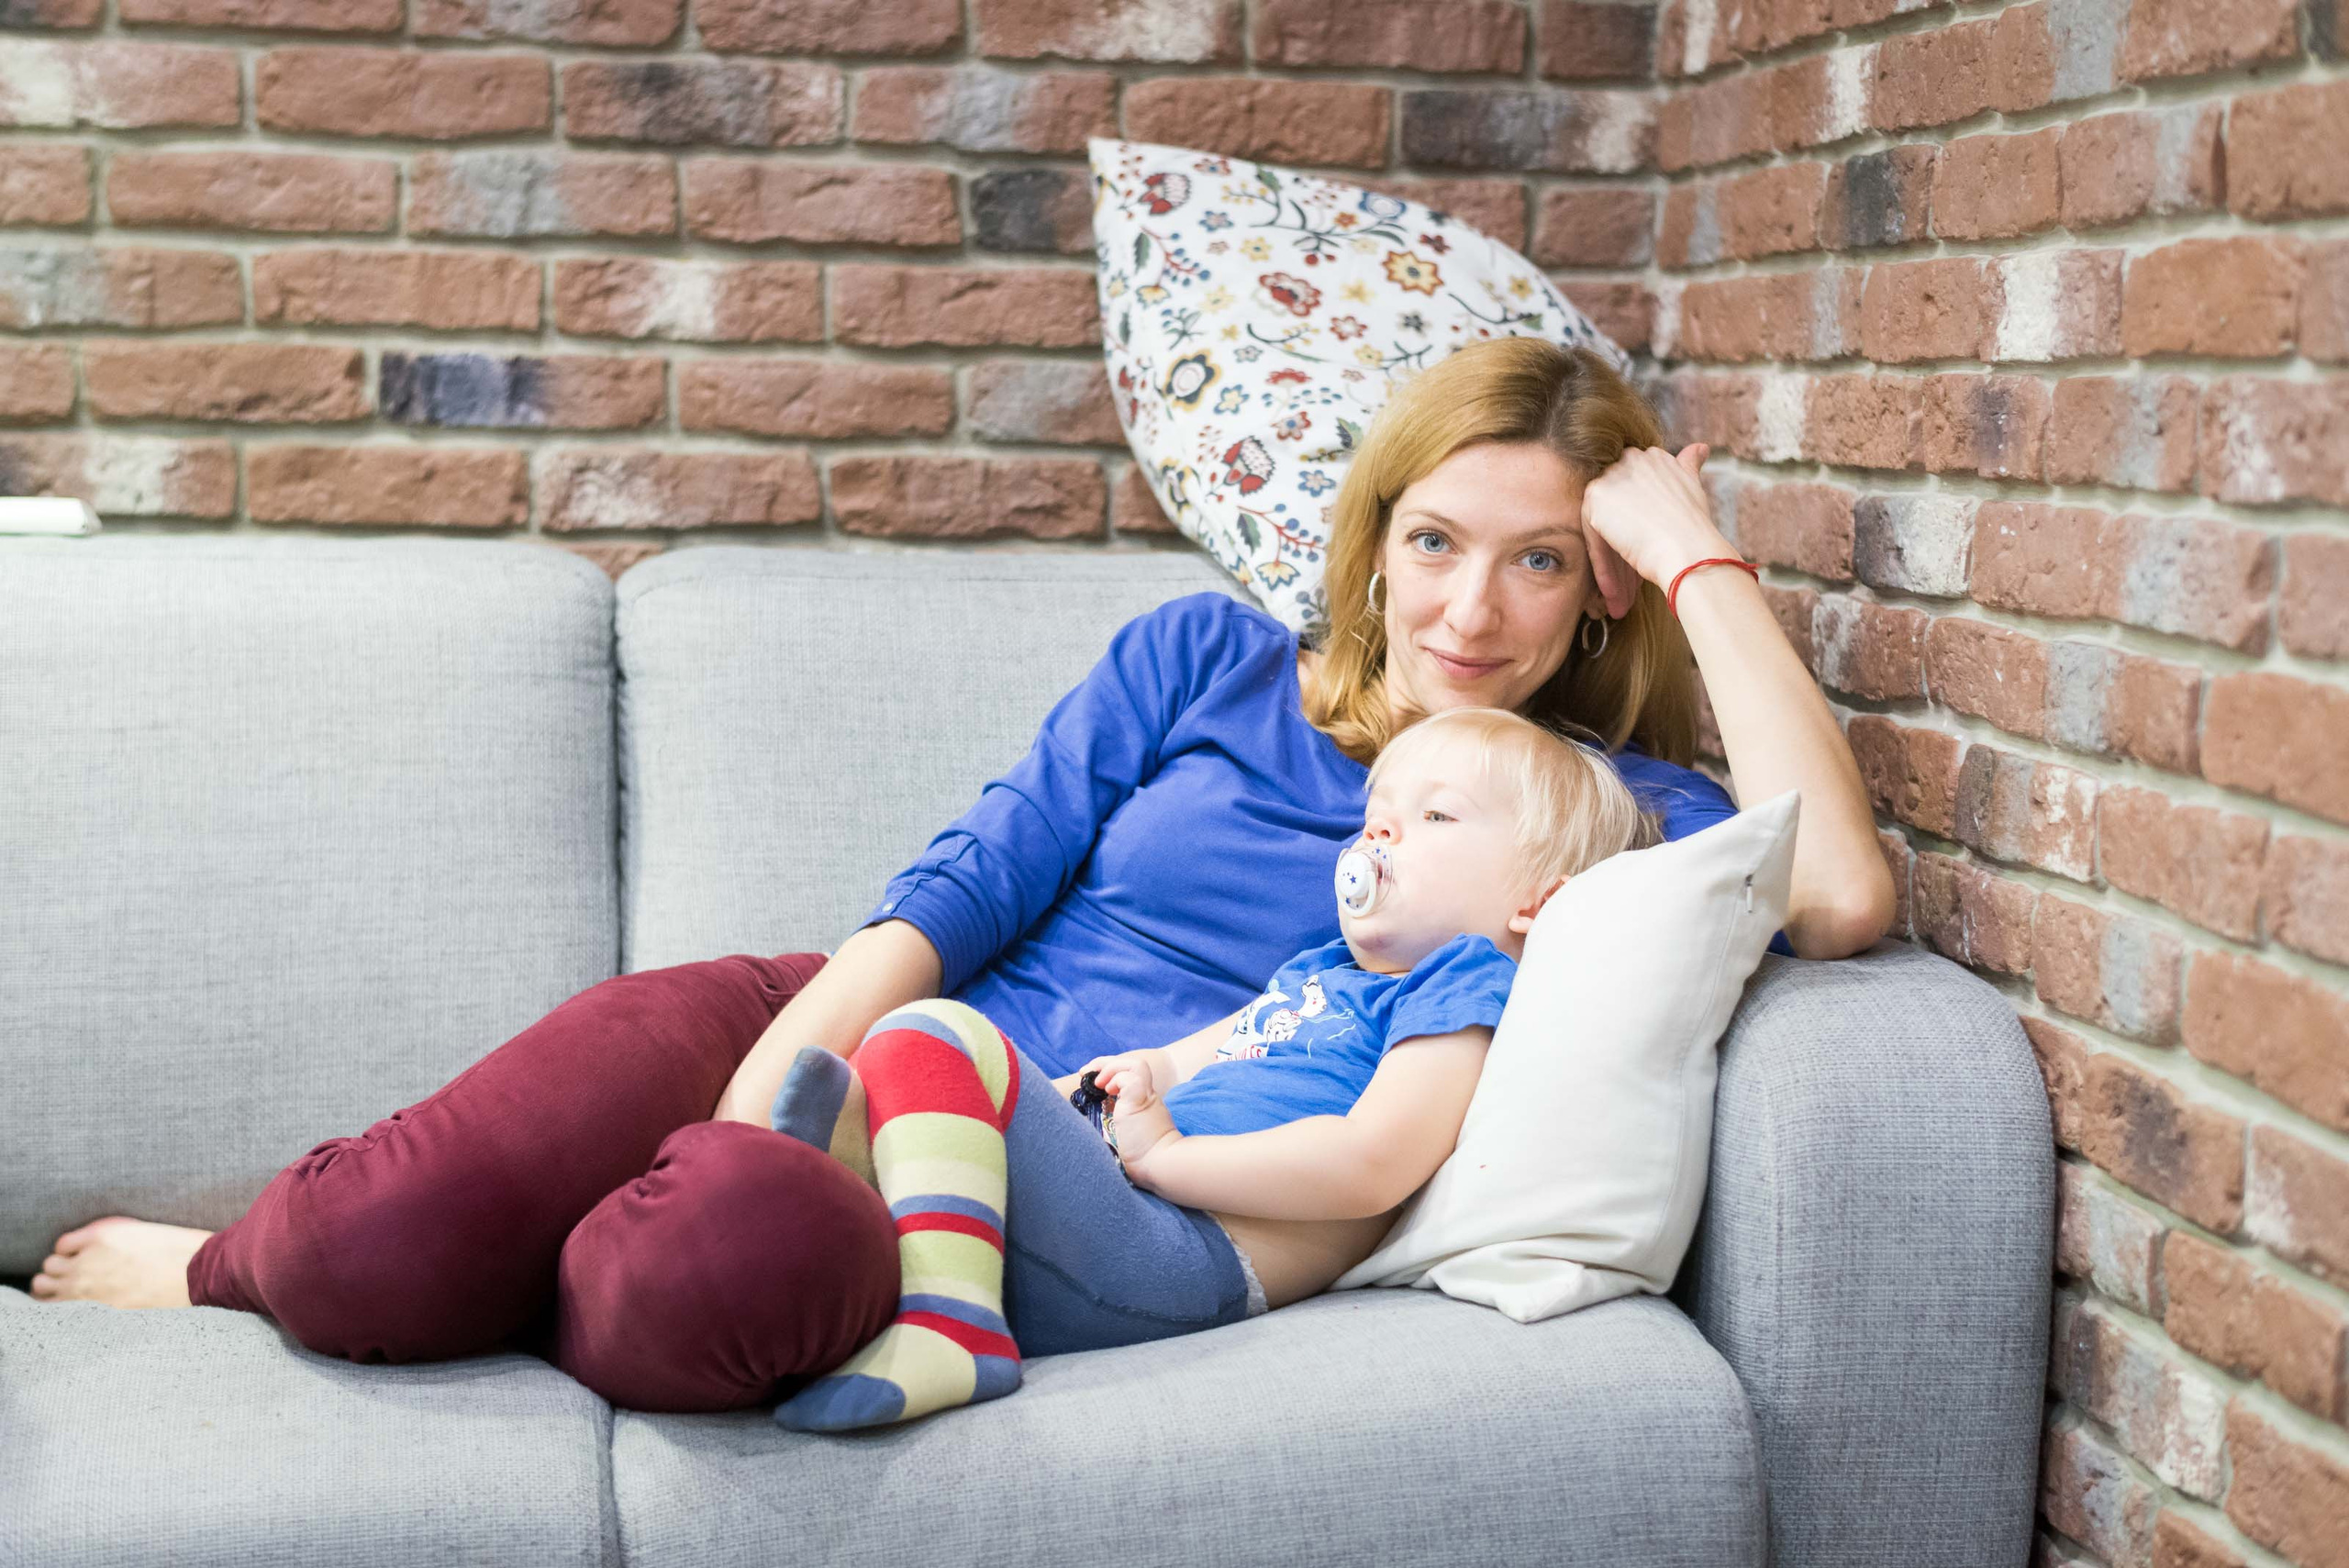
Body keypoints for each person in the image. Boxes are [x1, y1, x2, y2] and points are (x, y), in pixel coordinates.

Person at [30, 338, 1894, 1415]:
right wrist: (808, 1046)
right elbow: (982, 865)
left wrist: (1697, 555)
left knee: (700, 1279)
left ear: (1596, 596)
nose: (1467, 608)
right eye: (1432, 540)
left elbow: (1836, 901)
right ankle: (249, 1261)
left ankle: (542, 1263)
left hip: (997, 1187)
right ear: (1373, 532)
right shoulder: (1198, 657)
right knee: (367, 1239)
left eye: (1541, 563)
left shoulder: (1585, 804)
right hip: (825, 1018)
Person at [762, 705, 1655, 1431]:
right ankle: (834, 1213)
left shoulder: (1460, 987)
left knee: (932, 1030)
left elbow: (1371, 1163)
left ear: (1538, 897)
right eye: (1376, 815)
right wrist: (1127, 1075)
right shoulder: (1319, 970)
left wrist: (1166, 1158)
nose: (1380, 835)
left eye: (1433, 816)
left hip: (1186, 1254)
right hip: (1128, 1201)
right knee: (912, 1059)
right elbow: (1189, 1055)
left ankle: (947, 1321)